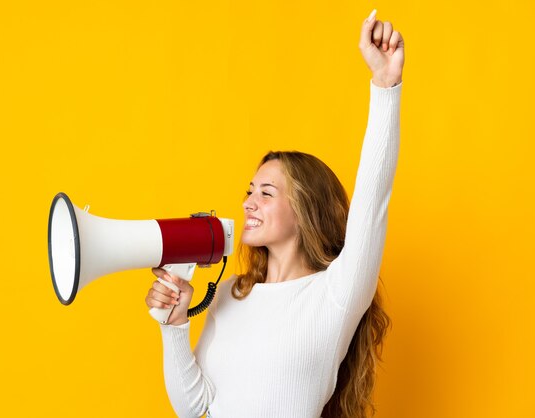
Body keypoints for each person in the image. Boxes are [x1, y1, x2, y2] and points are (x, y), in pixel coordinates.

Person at [145, 9, 404, 418]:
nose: (248, 202)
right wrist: (174, 326)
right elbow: (192, 407)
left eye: (266, 193)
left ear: (304, 210)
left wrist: (385, 87)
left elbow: (374, 198)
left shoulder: (334, 294)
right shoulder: (229, 294)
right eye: (250, 191)